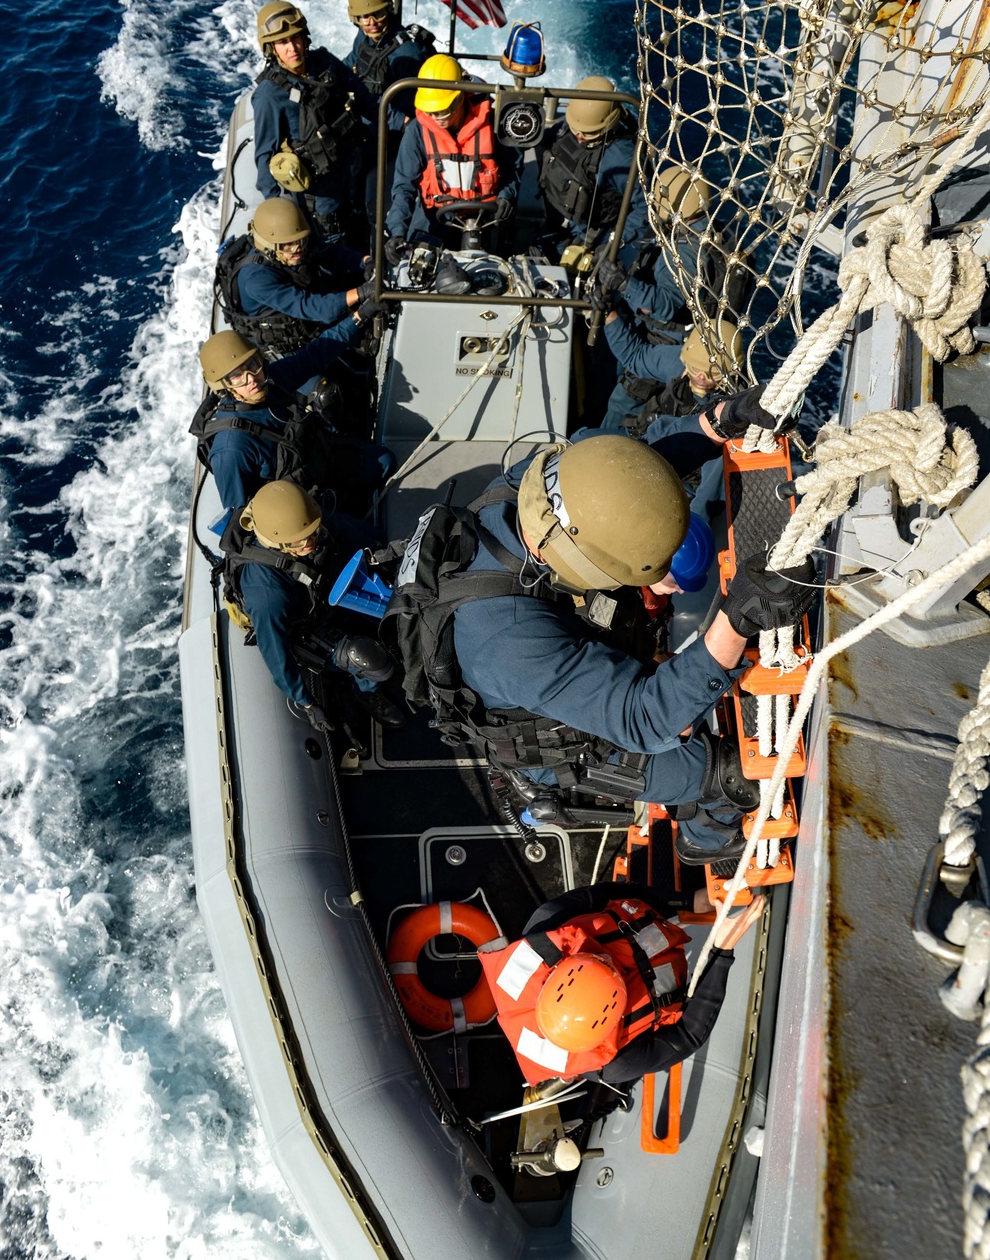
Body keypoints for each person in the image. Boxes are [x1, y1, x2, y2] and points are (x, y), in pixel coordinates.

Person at [384, 426, 811, 863]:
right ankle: (708, 841)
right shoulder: (506, 639)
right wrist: (739, 617)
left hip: (555, 656)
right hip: (561, 739)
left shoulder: (524, 494)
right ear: (583, 563)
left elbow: (624, 475)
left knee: (681, 693)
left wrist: (716, 424)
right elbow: (644, 719)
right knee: (729, 773)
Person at [478, 882, 765, 1088]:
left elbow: (608, 893)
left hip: (651, 928)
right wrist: (721, 950)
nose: (616, 963)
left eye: (604, 960)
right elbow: (689, 1036)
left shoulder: (547, 924)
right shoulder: (617, 1063)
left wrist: (687, 900)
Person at [221, 480, 405, 730]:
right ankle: (367, 693)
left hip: (324, 593)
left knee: (399, 613)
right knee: (368, 658)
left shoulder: (308, 529)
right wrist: (306, 702)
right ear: (277, 542)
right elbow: (276, 653)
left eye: (312, 534)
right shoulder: (266, 592)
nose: (310, 542)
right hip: (307, 625)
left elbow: (354, 536)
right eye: (300, 541)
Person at [195, 326, 387, 516]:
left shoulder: (270, 382)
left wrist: (357, 318)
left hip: (324, 463)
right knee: (371, 539)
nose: (251, 378)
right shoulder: (232, 449)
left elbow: (314, 355)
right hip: (303, 508)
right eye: (236, 376)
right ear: (224, 386)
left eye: (252, 365)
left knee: (386, 461)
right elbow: (240, 522)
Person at [251, 0, 377, 243]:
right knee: (337, 249)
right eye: (282, 42)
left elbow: (365, 100)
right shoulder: (269, 95)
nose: (292, 48)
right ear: (271, 49)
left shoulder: (325, 63)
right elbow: (265, 156)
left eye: (296, 38)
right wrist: (279, 214)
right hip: (321, 196)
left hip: (355, 170)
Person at [385, 55, 520, 255]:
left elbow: (512, 168)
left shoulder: (493, 124)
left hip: (486, 219)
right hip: (435, 217)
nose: (434, 118)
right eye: (429, 111)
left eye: (441, 111)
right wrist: (397, 232)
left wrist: (506, 197)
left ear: (460, 98)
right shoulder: (417, 131)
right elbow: (404, 186)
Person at [215, 199, 374, 359]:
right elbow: (314, 307)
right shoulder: (256, 281)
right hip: (287, 342)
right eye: (289, 245)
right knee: (328, 384)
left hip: (309, 314)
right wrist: (362, 292)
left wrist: (366, 261)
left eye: (301, 240)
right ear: (269, 247)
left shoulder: (293, 241)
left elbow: (331, 254)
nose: (299, 248)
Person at [538, 76, 648, 268]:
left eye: (587, 133)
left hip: (590, 237)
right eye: (577, 130)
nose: (579, 136)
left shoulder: (621, 159)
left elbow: (645, 208)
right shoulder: (566, 128)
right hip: (555, 218)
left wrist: (612, 244)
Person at [599, 318, 743, 433]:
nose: (701, 378)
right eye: (695, 369)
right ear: (686, 360)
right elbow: (634, 355)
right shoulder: (676, 363)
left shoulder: (739, 403)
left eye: (713, 373)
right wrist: (609, 315)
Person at [343, 0, 434, 134]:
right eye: (365, 17)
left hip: (393, 128)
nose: (372, 23)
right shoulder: (364, 37)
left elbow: (409, 111)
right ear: (356, 19)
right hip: (370, 114)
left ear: (387, 10)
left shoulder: (408, 54)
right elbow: (351, 62)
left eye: (378, 14)